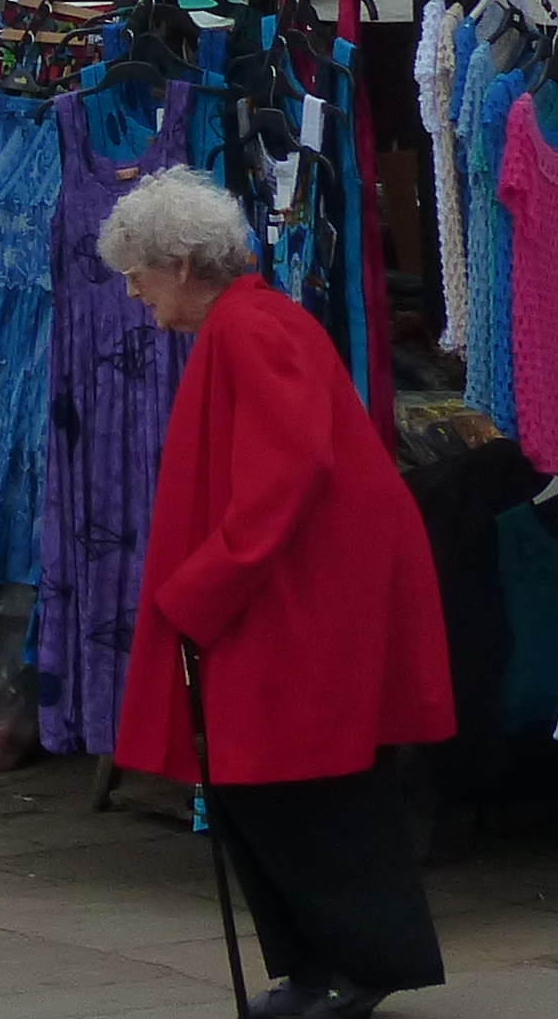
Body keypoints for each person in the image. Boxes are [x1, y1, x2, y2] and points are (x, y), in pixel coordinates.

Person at [103, 168, 452, 1019]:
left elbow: (284, 476)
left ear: (182, 264)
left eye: (138, 273)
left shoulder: (252, 328)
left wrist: (203, 587)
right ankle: (313, 962)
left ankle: (358, 961)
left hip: (302, 595)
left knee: (301, 785)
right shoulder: (243, 325)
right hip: (287, 588)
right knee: (256, 784)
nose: (134, 292)